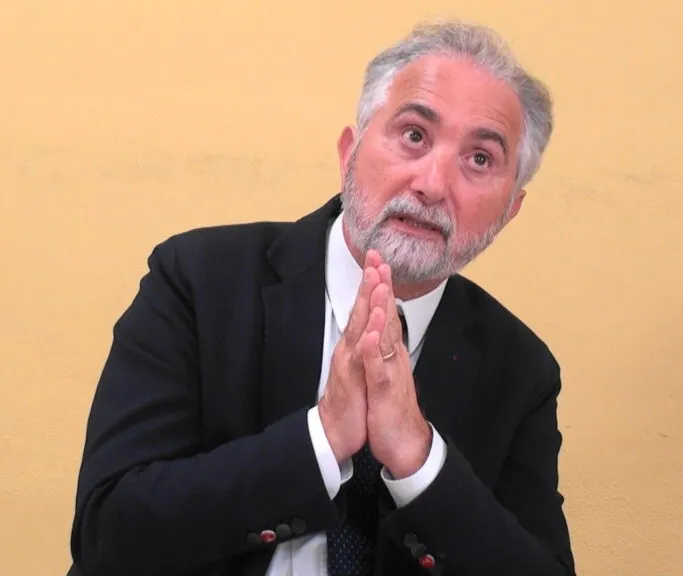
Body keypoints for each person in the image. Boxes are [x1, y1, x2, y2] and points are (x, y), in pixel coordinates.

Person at [65, 19, 576, 576]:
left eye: (479, 159)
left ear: (510, 210)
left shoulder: (520, 369)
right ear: (349, 153)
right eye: (414, 135)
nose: (432, 184)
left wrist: (420, 460)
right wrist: (323, 438)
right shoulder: (198, 280)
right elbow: (107, 534)